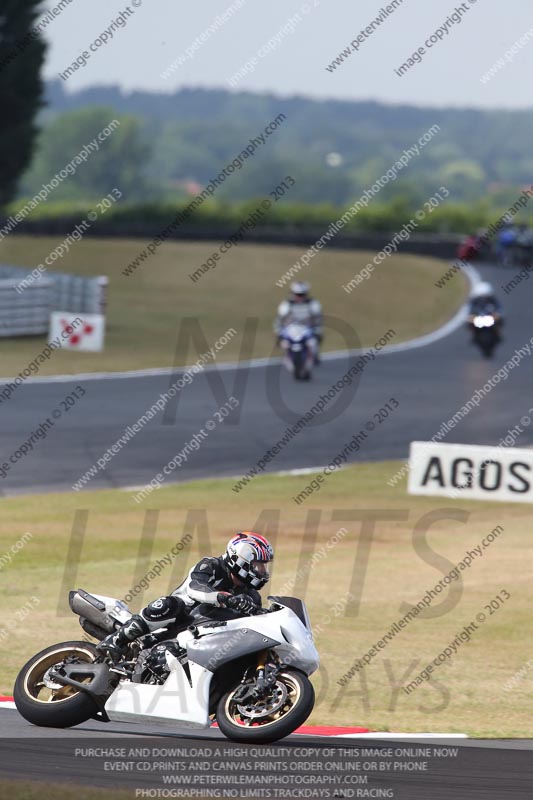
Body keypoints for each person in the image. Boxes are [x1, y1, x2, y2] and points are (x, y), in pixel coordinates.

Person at [97, 532, 274, 660]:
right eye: (258, 565)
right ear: (240, 559)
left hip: (207, 635)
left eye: (264, 567)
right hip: (178, 620)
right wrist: (226, 598)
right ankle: (116, 640)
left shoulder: (251, 595)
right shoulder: (211, 566)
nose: (262, 571)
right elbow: (195, 588)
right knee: (170, 604)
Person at [274, 281, 323, 363]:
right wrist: (279, 332)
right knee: (284, 344)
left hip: (307, 328)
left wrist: (317, 330)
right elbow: (280, 319)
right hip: (290, 329)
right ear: (293, 293)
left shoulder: (312, 304)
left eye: (302, 294)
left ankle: (314, 356)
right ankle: (287, 357)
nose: (300, 297)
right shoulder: (287, 304)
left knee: (313, 343)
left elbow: (318, 319)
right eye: (297, 294)